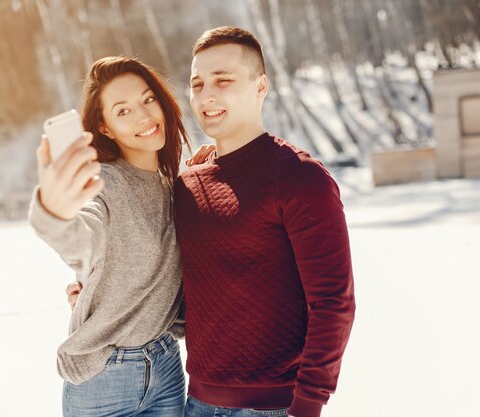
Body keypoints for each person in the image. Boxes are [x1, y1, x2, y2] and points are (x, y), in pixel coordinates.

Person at [69, 27, 356, 417]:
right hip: (197, 404)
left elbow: (333, 304)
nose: (207, 95)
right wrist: (103, 292)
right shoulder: (186, 187)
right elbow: (177, 282)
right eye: (198, 83)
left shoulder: (300, 178)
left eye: (223, 81)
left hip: (275, 407)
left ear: (261, 86)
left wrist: (307, 406)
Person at [30, 56, 195, 417]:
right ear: (104, 128)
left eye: (148, 100)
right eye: (123, 111)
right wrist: (54, 211)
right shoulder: (104, 185)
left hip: (166, 368)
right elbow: (83, 236)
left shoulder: (172, 186)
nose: (144, 116)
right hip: (105, 377)